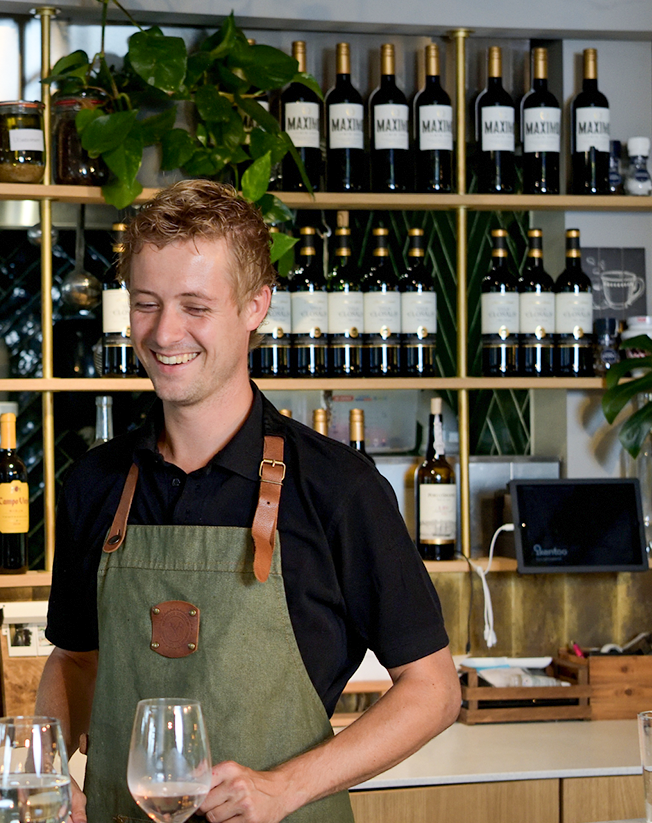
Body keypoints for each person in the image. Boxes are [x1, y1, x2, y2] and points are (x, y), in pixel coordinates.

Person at [37, 181, 461, 823]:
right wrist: (45, 766)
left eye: (194, 307)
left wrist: (285, 787)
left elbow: (433, 691)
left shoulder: (337, 490)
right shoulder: (96, 482)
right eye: (146, 304)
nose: (164, 332)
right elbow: (75, 660)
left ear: (256, 306)